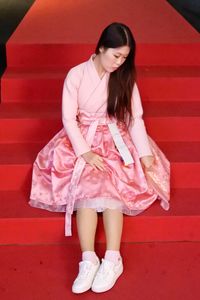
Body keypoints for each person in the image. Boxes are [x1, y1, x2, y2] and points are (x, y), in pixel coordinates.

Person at [29, 22, 170, 294]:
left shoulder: (124, 77)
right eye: (116, 55)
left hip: (115, 137)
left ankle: (113, 259)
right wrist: (85, 151)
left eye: (125, 58)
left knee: (111, 188)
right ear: (101, 48)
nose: (120, 62)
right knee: (86, 189)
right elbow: (69, 118)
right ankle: (88, 258)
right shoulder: (77, 74)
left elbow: (133, 118)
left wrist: (144, 153)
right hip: (83, 138)